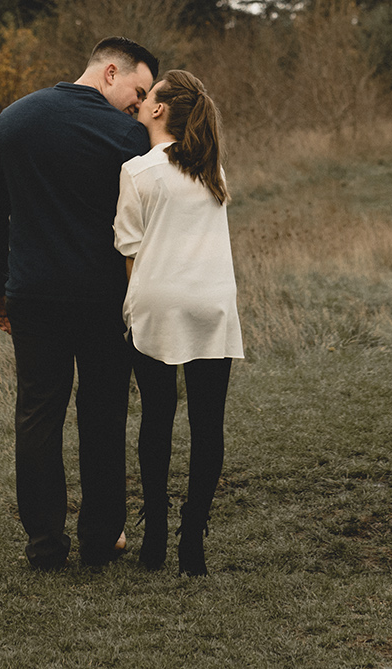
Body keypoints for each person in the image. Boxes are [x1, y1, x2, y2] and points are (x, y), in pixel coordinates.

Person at [0, 36, 160, 570]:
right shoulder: (128, 136)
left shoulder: (12, 119)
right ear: (110, 72)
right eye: (138, 88)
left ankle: (44, 546)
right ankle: (101, 539)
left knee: (37, 413)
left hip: (33, 294)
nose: (140, 103)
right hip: (104, 297)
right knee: (102, 414)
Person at [114, 68, 243, 576]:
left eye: (148, 97)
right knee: (209, 424)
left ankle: (156, 538)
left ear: (160, 110)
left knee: (158, 418)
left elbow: (129, 251)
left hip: (160, 303)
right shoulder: (213, 171)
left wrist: (129, 306)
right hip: (212, 302)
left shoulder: (138, 171)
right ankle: (194, 535)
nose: (142, 102)